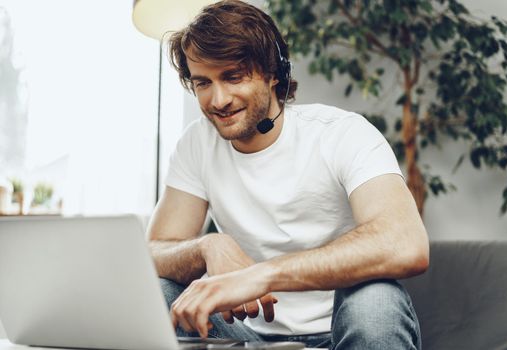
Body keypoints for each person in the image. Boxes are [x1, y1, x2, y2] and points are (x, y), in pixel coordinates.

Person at [146, 1, 429, 349]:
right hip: (244, 335)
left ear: (273, 72)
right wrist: (208, 245)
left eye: (234, 76)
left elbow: (406, 243)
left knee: (377, 300)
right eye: (203, 82)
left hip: (340, 332)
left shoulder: (342, 133)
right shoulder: (196, 143)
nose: (218, 99)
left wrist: (261, 275)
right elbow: (152, 251)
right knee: (159, 291)